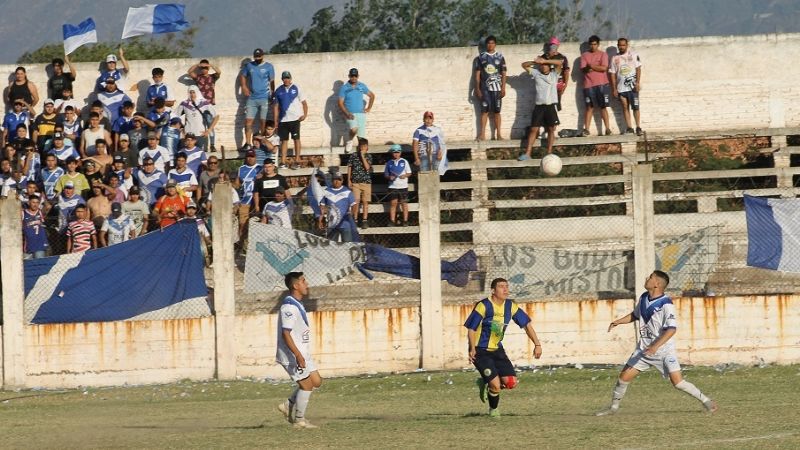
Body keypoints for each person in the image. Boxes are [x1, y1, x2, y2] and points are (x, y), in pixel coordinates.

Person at [596, 270, 718, 416]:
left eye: (651, 277)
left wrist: (655, 346)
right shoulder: (643, 297)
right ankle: (613, 408)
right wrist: (618, 321)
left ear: (657, 284)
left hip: (664, 351)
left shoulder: (666, 304)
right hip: (644, 350)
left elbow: (671, 329)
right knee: (623, 378)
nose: (647, 278)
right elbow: (635, 315)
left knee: (678, 383)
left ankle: (707, 401)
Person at [464, 277, 543, 417]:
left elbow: (527, 325)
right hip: (480, 350)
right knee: (495, 385)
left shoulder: (510, 306)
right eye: (501, 286)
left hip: (497, 350)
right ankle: (493, 410)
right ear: (493, 290)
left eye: (506, 286)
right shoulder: (484, 305)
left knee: (511, 383)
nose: (505, 289)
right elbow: (471, 328)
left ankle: (485, 381)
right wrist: (472, 348)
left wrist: (537, 344)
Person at [276, 272, 323, 429]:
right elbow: (286, 333)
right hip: (292, 354)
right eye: (303, 281)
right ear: (295, 285)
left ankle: (288, 404)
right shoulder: (288, 307)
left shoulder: (297, 303)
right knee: (306, 386)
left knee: (316, 381)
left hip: (302, 352)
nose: (306, 284)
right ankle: (299, 421)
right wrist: (297, 355)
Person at [519, 56, 564, 160]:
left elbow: (560, 63)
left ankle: (549, 153)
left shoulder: (554, 75)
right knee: (534, 129)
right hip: (539, 106)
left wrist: (545, 60)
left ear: (549, 67)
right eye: (542, 65)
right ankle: (528, 153)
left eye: (546, 65)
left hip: (551, 106)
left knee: (551, 129)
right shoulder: (536, 73)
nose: (544, 67)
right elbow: (524, 65)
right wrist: (535, 61)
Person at [239, 48, 275, 150]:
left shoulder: (269, 66)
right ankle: (248, 143)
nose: (257, 59)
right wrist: (244, 87)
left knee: (263, 121)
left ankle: (262, 141)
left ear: (263, 56)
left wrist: (273, 93)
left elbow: (272, 80)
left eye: (259, 57)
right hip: (252, 98)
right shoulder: (249, 66)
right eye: (256, 57)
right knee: (248, 121)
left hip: (264, 97)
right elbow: (243, 76)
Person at [273, 71, 308, 170]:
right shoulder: (278, 90)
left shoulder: (296, 88)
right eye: (284, 78)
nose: (286, 80)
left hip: (295, 119)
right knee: (284, 140)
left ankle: (297, 161)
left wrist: (304, 115)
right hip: (283, 119)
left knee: (296, 139)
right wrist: (275, 120)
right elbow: (275, 106)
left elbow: (304, 103)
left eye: (288, 78)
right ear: (282, 79)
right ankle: (283, 162)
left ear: (291, 78)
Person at [474, 36, 507, 141]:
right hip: (485, 89)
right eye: (488, 43)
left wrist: (503, 88)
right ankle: (482, 135)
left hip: (497, 89)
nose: (490, 45)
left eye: (492, 43)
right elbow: (477, 75)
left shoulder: (500, 57)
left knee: (497, 112)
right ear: (486, 45)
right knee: (484, 112)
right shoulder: (480, 58)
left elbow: (504, 73)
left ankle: (499, 135)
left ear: (495, 44)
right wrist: (477, 89)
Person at [609, 38, 643, 136]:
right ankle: (629, 127)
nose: (621, 47)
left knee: (636, 107)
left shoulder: (633, 55)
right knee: (625, 107)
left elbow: (638, 69)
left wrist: (637, 82)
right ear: (617, 45)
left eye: (623, 45)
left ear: (627, 45)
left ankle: (638, 126)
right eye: (620, 45)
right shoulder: (615, 58)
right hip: (621, 88)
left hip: (632, 87)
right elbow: (612, 74)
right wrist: (614, 88)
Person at [580, 35, 612, 136]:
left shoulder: (603, 54)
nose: (593, 46)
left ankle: (607, 129)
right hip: (588, 85)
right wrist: (595, 67)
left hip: (602, 84)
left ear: (598, 44)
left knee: (603, 107)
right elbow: (583, 69)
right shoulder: (584, 55)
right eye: (591, 44)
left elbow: (604, 68)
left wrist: (592, 66)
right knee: (589, 107)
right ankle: (586, 129)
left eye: (595, 44)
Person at [337, 68, 375, 153]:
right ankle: (349, 141)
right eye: (352, 76)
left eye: (355, 76)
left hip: (361, 114)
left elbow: (372, 96)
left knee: (361, 138)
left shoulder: (362, 85)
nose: (354, 78)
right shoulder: (344, 88)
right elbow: (340, 103)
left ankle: (361, 155)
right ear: (349, 76)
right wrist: (347, 113)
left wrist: (369, 108)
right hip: (350, 113)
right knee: (354, 129)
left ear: (358, 76)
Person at [187, 59, 221, 150]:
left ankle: (212, 145)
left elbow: (218, 71)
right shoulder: (198, 77)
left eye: (205, 68)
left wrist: (210, 65)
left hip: (209, 105)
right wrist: (198, 65)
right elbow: (189, 72)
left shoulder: (212, 77)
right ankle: (203, 146)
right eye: (202, 68)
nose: (204, 69)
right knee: (201, 125)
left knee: (210, 125)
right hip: (199, 105)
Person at [174, 86, 218, 151]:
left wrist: (209, 130)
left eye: (194, 92)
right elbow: (175, 116)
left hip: (200, 134)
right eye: (190, 92)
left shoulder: (204, 102)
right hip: (188, 134)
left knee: (199, 154)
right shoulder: (184, 103)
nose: (192, 94)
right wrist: (181, 128)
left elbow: (216, 116)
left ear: (197, 92)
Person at [234, 149, 263, 247]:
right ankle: (242, 245)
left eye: (252, 156)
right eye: (248, 156)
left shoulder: (261, 168)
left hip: (257, 201)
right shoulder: (241, 169)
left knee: (257, 224)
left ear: (255, 157)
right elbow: (237, 185)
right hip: (244, 201)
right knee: (242, 224)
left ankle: (255, 245)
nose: (250, 158)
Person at [320, 172, 358, 242]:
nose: (337, 181)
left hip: (345, 225)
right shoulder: (326, 191)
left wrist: (351, 216)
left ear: (342, 181)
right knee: (332, 247)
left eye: (339, 179)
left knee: (348, 246)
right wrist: (320, 220)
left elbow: (354, 205)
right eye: (335, 179)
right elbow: (322, 206)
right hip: (332, 226)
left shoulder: (348, 192)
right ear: (332, 180)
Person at [384, 144, 411, 226]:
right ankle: (392, 220)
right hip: (393, 186)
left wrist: (405, 175)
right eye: (394, 152)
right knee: (393, 203)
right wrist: (389, 177)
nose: (396, 154)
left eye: (398, 152)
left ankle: (405, 220)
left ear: (400, 152)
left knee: (404, 203)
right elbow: (386, 174)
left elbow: (409, 173)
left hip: (403, 186)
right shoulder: (389, 163)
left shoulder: (404, 161)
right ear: (392, 153)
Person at [347, 137, 372, 229]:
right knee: (356, 201)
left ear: (367, 147)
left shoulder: (369, 156)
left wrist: (362, 156)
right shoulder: (353, 155)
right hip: (355, 182)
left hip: (366, 182)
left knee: (365, 201)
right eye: (361, 146)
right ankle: (355, 219)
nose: (363, 148)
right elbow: (350, 167)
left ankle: (365, 220)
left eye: (364, 146)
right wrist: (349, 179)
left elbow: (367, 167)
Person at [542, 37, 570, 111]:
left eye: (554, 45)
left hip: (558, 84)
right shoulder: (544, 57)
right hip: (547, 84)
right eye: (551, 45)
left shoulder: (562, 57)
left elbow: (566, 72)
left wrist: (565, 84)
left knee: (555, 105)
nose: (552, 47)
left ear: (558, 46)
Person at [22, 194, 49, 259]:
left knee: (39, 265)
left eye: (37, 202)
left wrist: (43, 197)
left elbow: (48, 206)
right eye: (33, 202)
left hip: (39, 245)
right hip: (28, 245)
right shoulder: (23, 213)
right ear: (29, 203)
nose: (35, 204)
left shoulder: (40, 212)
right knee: (27, 267)